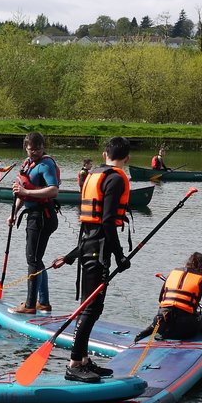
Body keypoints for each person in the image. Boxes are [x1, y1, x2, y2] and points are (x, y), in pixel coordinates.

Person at [67, 136, 133, 383]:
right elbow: (107, 220)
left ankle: (83, 360)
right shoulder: (115, 179)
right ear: (127, 158)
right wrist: (119, 255)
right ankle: (74, 363)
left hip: (89, 242)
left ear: (105, 155)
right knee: (91, 306)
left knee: (91, 305)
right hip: (99, 247)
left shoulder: (94, 174)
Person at [132, 252, 202, 357]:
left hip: (163, 327)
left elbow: (161, 299)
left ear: (187, 264)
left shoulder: (173, 274)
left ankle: (149, 330)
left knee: (161, 316)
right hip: (185, 329)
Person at [8, 132, 60, 315]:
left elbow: (53, 191)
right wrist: (13, 214)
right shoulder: (27, 164)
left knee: (33, 260)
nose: (35, 152)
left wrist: (26, 192)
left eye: (38, 149)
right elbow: (21, 192)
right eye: (32, 149)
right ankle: (43, 303)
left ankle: (30, 306)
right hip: (33, 215)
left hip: (43, 216)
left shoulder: (46, 165)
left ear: (43, 147)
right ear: (26, 147)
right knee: (36, 260)